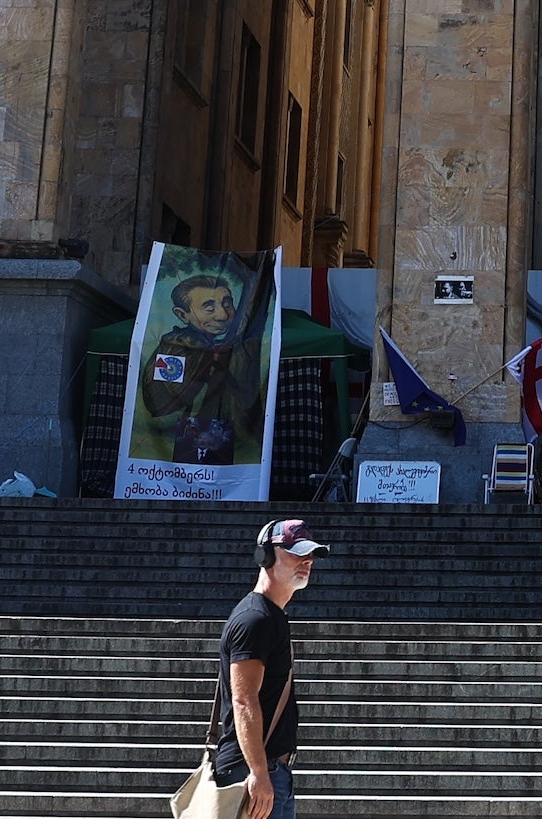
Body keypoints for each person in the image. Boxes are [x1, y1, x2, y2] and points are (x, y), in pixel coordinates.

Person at [213, 517, 321, 819]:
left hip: (273, 771)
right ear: (266, 556)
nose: (307, 561)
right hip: (253, 772)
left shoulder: (271, 617)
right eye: (297, 552)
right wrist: (259, 772)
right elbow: (243, 699)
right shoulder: (255, 619)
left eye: (310, 554)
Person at [139, 266, 267, 468]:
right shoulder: (174, 350)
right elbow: (160, 401)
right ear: (182, 315)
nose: (223, 315)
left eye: (227, 303)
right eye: (209, 308)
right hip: (188, 436)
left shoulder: (231, 346)